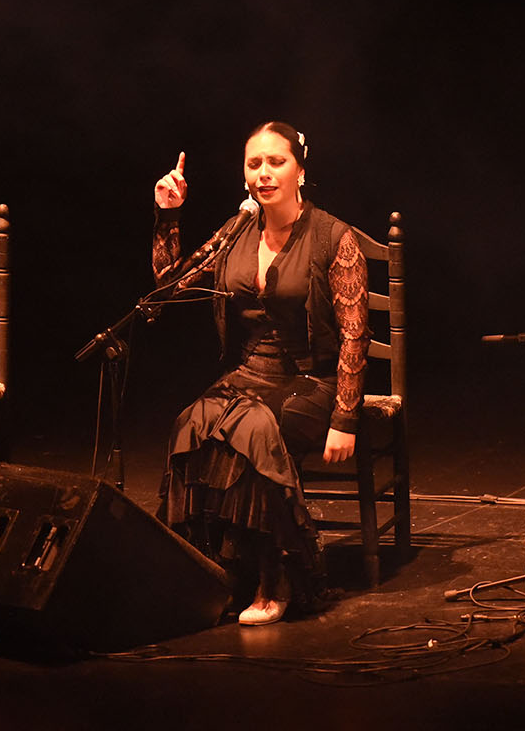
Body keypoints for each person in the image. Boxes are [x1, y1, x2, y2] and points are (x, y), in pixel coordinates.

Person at [151, 121, 370, 625]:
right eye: (254, 164)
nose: (264, 173)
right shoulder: (236, 232)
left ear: (300, 170)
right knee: (193, 422)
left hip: (314, 381)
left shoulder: (334, 238)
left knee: (250, 432)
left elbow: (355, 334)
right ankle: (218, 574)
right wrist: (168, 216)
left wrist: (346, 417)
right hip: (250, 375)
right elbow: (169, 286)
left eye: (276, 162)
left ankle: (279, 576)